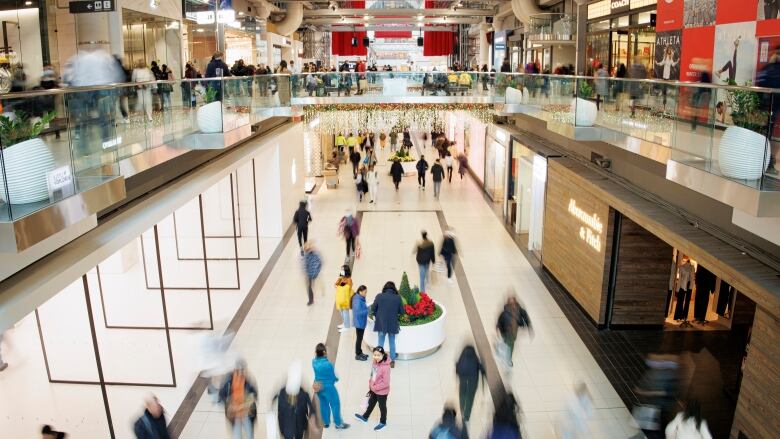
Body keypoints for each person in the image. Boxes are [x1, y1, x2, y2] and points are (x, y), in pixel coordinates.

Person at [311, 344, 351, 429]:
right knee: (335, 404)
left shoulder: (313, 361)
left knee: (323, 403)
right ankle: (338, 424)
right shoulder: (328, 365)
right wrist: (335, 379)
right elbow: (335, 377)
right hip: (328, 387)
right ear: (325, 353)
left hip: (317, 387)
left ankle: (326, 422)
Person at [354, 346, 392, 431]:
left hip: (382, 392)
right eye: (374, 355)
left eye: (378, 355)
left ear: (383, 355)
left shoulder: (386, 368)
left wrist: (374, 387)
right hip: (374, 389)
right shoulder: (375, 362)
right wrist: (370, 384)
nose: (376, 357)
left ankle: (383, 422)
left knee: (382, 407)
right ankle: (365, 417)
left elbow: (386, 383)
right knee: (371, 403)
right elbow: (373, 374)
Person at [218, 360, 258, 439]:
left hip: (246, 413)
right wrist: (228, 404)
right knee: (237, 436)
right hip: (234, 415)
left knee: (250, 435)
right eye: (239, 371)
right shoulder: (228, 382)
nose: (241, 373)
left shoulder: (248, 381)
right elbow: (221, 395)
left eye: (243, 370)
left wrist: (248, 402)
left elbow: (254, 394)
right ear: (235, 370)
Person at [275, 361, 314, 439]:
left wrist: (312, 418)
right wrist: (281, 429)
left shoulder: (304, 395)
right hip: (287, 429)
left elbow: (312, 410)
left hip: (299, 428)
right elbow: (280, 414)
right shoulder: (282, 395)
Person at [371, 281, 404, 367]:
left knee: (380, 342)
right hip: (392, 323)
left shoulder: (379, 296)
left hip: (381, 323)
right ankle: (392, 360)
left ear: (385, 288)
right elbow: (402, 311)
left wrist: (377, 316)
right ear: (394, 288)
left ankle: (379, 360)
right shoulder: (397, 297)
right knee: (392, 342)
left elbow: (373, 308)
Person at [496, 295, 533, 367]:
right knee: (510, 345)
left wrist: (529, 327)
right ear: (508, 305)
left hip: (513, 332)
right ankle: (508, 359)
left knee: (509, 343)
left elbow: (525, 317)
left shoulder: (519, 310)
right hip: (506, 332)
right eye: (511, 304)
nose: (513, 306)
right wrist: (497, 328)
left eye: (514, 304)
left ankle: (504, 352)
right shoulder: (504, 313)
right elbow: (499, 321)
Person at [455, 345, 485, 424]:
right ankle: (466, 415)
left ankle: (462, 409)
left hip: (463, 380)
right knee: (470, 397)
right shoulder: (475, 359)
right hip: (473, 380)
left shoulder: (462, 359)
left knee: (462, 394)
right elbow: (481, 368)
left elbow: (457, 369)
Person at [352, 285, 369, 361]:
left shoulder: (359, 298)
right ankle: (358, 354)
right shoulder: (357, 301)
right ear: (360, 292)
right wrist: (368, 310)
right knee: (359, 339)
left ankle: (360, 352)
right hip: (359, 323)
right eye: (365, 292)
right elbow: (359, 313)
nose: (366, 294)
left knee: (360, 338)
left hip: (360, 322)